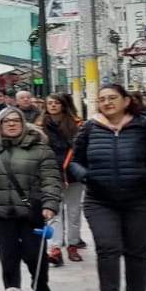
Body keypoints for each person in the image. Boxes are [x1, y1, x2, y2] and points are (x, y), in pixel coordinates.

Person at [71, 83, 146, 291]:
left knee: (136, 250)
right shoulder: (89, 128)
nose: (107, 103)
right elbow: (74, 161)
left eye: (112, 98)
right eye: (102, 99)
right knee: (107, 248)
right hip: (100, 200)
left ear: (126, 101)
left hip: (144, 199)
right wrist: (85, 175)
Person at [0, 108, 60, 291]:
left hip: (31, 212)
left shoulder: (40, 149)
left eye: (16, 121)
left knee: (34, 256)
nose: (12, 124)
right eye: (6, 121)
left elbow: (51, 179)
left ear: (23, 124)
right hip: (1, 212)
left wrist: (50, 204)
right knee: (9, 259)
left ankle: (41, 288)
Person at [40, 94, 85, 265]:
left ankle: (73, 245)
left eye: (56, 103)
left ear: (63, 105)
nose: (52, 106)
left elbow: (81, 149)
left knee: (74, 211)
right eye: (49, 103)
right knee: (52, 211)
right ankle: (55, 248)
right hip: (49, 174)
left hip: (72, 174)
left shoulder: (76, 124)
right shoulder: (40, 126)